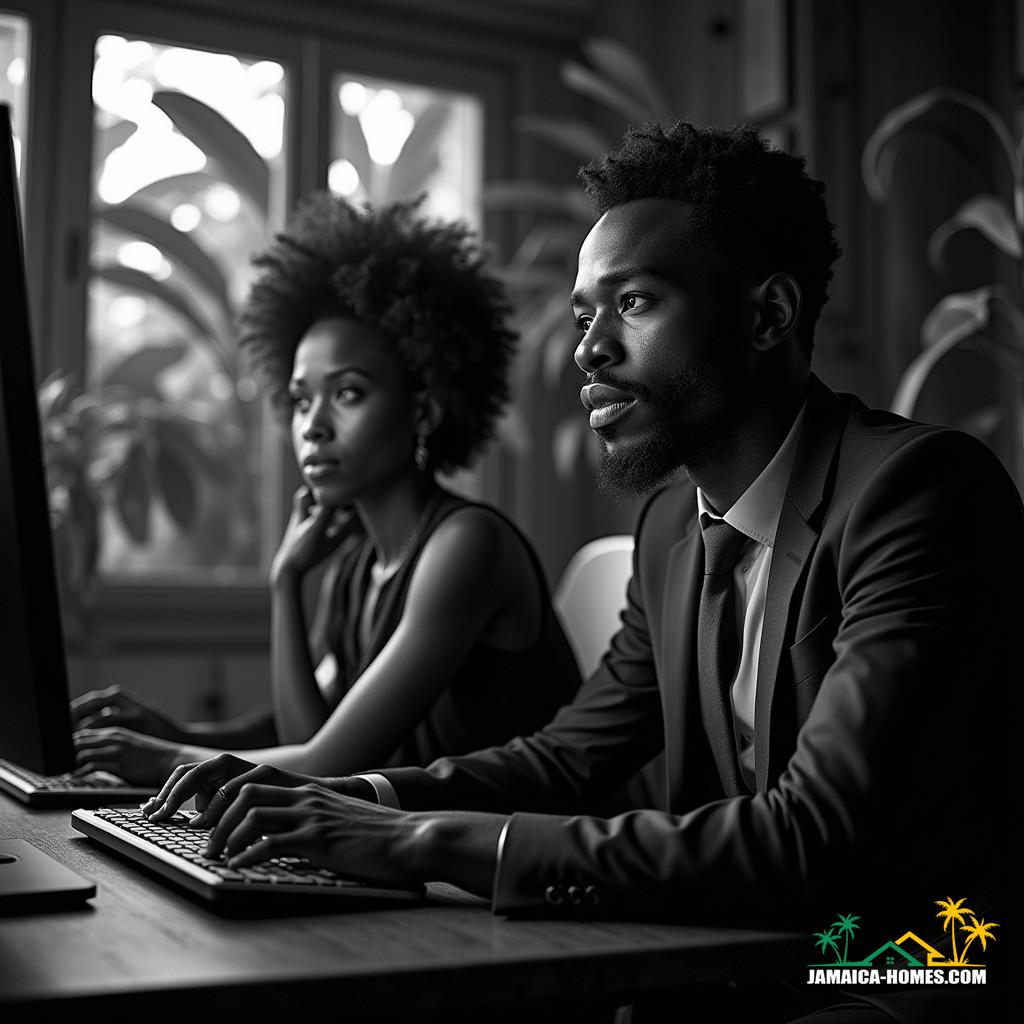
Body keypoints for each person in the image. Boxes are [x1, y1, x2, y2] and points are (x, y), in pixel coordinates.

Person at [143, 123, 1017, 1022]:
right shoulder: (671, 529)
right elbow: (569, 758)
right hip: (729, 967)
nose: (588, 350)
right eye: (582, 315)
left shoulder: (918, 492)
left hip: (910, 975)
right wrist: (349, 797)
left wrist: (422, 840)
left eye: (632, 302)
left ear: (768, 316)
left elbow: (813, 836)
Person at [72, 194, 582, 785]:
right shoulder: (358, 567)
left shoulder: (466, 546)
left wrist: (164, 759)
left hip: (510, 841)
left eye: (347, 393)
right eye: (299, 399)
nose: (312, 425)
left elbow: (328, 764)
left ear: (423, 410)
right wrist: (178, 733)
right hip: (409, 834)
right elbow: (307, 738)